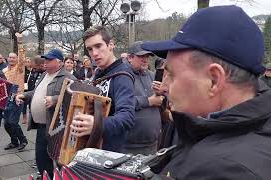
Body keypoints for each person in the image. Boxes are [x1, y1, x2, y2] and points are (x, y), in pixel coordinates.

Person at [141, 5, 271, 179]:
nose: (164, 87)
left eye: (171, 74)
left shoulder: (222, 170)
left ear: (214, 80)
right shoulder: (252, 131)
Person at [70, 25, 135, 152]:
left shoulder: (122, 75)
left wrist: (96, 124)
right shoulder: (98, 74)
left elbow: (127, 117)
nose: (94, 53)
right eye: (89, 49)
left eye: (98, 46)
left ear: (110, 45)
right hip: (92, 148)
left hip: (109, 153)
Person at [15, 49, 74, 178]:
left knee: (59, 160)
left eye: (49, 60)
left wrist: (54, 99)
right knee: (41, 158)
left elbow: (75, 97)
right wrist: (24, 95)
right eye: (45, 60)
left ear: (59, 62)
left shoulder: (67, 77)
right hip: (42, 126)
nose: (45, 63)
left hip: (58, 128)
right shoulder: (44, 75)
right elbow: (36, 93)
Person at [124, 41, 162, 155]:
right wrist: (149, 101)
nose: (145, 59)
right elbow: (120, 103)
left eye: (147, 56)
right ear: (130, 57)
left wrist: (161, 94)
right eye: (141, 56)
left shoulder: (152, 75)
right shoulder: (123, 75)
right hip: (129, 146)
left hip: (152, 143)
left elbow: (162, 103)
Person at [2, 52, 28, 151]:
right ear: (7, 59)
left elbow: (22, 59)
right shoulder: (4, 70)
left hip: (17, 98)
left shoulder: (20, 68)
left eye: (14, 57)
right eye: (10, 57)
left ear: (17, 59)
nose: (12, 59)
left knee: (13, 122)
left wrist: (20, 41)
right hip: (6, 99)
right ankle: (14, 142)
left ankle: (23, 140)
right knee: (6, 124)